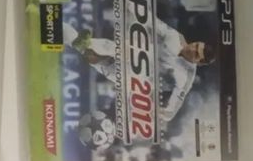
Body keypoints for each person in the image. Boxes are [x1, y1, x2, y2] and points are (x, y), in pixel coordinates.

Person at [63, 20, 216, 123]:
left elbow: (170, 113)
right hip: (135, 52)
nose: (192, 49)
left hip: (135, 77)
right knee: (92, 47)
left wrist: (153, 111)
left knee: (89, 56)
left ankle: (85, 46)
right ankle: (84, 42)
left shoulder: (186, 78)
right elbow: (152, 21)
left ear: (199, 63)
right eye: (196, 45)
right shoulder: (177, 37)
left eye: (196, 54)